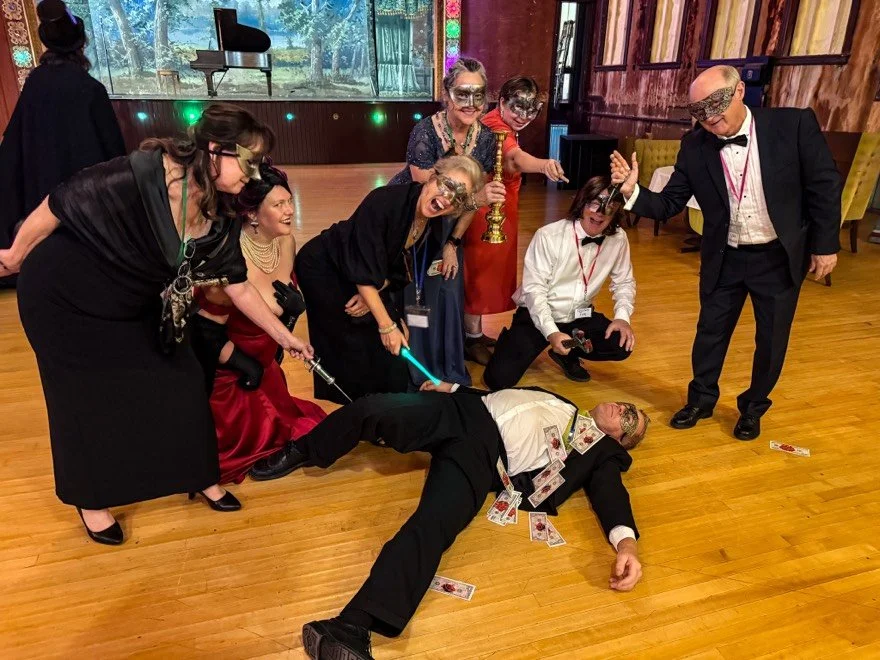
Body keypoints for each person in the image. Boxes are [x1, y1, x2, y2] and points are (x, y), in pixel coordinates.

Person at [0, 104, 314, 546]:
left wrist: (287, 337)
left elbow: (238, 286)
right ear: (214, 150)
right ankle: (92, 501)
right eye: (249, 161)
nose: (256, 174)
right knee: (82, 402)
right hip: (65, 295)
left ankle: (201, 477)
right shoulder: (148, 172)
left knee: (182, 380)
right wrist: (15, 255)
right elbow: (62, 201)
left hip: (129, 301)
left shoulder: (221, 212)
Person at [249, 382, 649, 659]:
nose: (623, 408)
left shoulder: (601, 454)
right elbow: (503, 398)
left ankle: (352, 627)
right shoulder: (564, 402)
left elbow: (611, 494)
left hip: (484, 456)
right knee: (373, 408)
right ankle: (303, 449)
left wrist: (626, 544)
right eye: (627, 405)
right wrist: (452, 387)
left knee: (433, 523)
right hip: (462, 410)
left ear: (621, 441)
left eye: (630, 418)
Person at [611, 65, 841, 440]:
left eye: (716, 106)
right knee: (710, 333)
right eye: (699, 112)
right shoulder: (694, 146)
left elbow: (824, 185)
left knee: (771, 340)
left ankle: (753, 408)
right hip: (726, 257)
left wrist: (825, 245)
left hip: (778, 256)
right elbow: (669, 204)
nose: (710, 119)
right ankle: (701, 400)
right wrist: (631, 192)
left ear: (739, 92)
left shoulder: (793, 124)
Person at [295, 155, 485, 404]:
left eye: (459, 197)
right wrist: (386, 325)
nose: (448, 198)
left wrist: (379, 302)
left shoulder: (434, 224)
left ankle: (381, 404)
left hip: (366, 276)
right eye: (447, 185)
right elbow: (362, 263)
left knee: (391, 340)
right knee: (354, 340)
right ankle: (357, 406)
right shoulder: (384, 201)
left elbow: (399, 270)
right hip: (325, 268)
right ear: (432, 178)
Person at [190, 162, 327, 484]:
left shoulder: (285, 242)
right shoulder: (229, 260)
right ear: (252, 214)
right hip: (229, 373)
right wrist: (244, 364)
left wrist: (292, 315)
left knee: (306, 430)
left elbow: (274, 322)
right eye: (279, 205)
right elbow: (203, 335)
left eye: (289, 201)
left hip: (266, 366)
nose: (290, 211)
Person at [387, 57, 506, 386]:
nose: (471, 103)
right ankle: (416, 369)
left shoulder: (485, 139)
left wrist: (453, 243)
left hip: (451, 227)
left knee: (449, 290)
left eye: (478, 94)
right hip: (413, 222)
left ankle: (447, 366)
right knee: (417, 295)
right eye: (462, 93)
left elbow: (471, 200)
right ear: (446, 94)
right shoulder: (425, 132)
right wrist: (477, 199)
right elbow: (433, 201)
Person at [0, 0, 125, 288]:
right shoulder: (91, 89)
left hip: (41, 200)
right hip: (85, 205)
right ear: (81, 44)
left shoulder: (35, 83)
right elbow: (114, 153)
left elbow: (13, 147)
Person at [484, 177, 635, 389]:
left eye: (609, 206)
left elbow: (624, 282)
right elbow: (534, 291)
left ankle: (568, 353)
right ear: (582, 203)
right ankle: (512, 342)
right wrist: (552, 332)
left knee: (620, 344)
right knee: (497, 380)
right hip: (539, 314)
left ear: (617, 209)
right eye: (594, 203)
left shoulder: (618, 238)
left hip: (580, 314)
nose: (600, 212)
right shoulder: (549, 236)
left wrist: (622, 317)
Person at [463, 77, 568, 365]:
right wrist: (544, 165)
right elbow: (514, 158)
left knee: (487, 271)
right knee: (480, 272)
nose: (523, 117)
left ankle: (474, 332)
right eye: (516, 109)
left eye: (530, 111)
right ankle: (470, 338)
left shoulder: (501, 123)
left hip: (500, 206)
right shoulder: (495, 126)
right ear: (502, 102)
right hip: (487, 211)